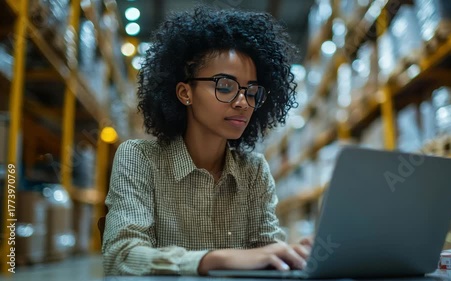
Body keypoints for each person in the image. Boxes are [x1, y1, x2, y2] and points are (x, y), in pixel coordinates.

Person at [102, 4, 312, 276]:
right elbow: (121, 255)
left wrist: (292, 255)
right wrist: (215, 259)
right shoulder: (139, 158)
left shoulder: (254, 171)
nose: (242, 102)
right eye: (225, 86)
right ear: (184, 92)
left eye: (252, 91)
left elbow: (267, 250)